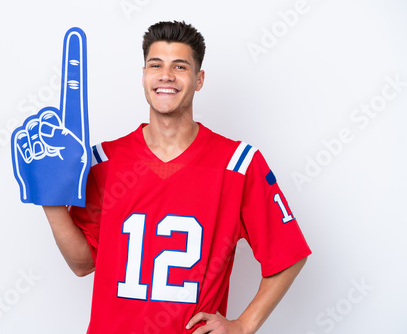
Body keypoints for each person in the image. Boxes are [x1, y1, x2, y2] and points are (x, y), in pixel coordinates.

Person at [42, 21, 311, 334]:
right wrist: (50, 201)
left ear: (199, 80)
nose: (166, 75)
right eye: (156, 65)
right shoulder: (104, 161)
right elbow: (82, 263)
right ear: (144, 75)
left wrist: (243, 325)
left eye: (179, 66)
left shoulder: (238, 165)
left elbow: (289, 255)